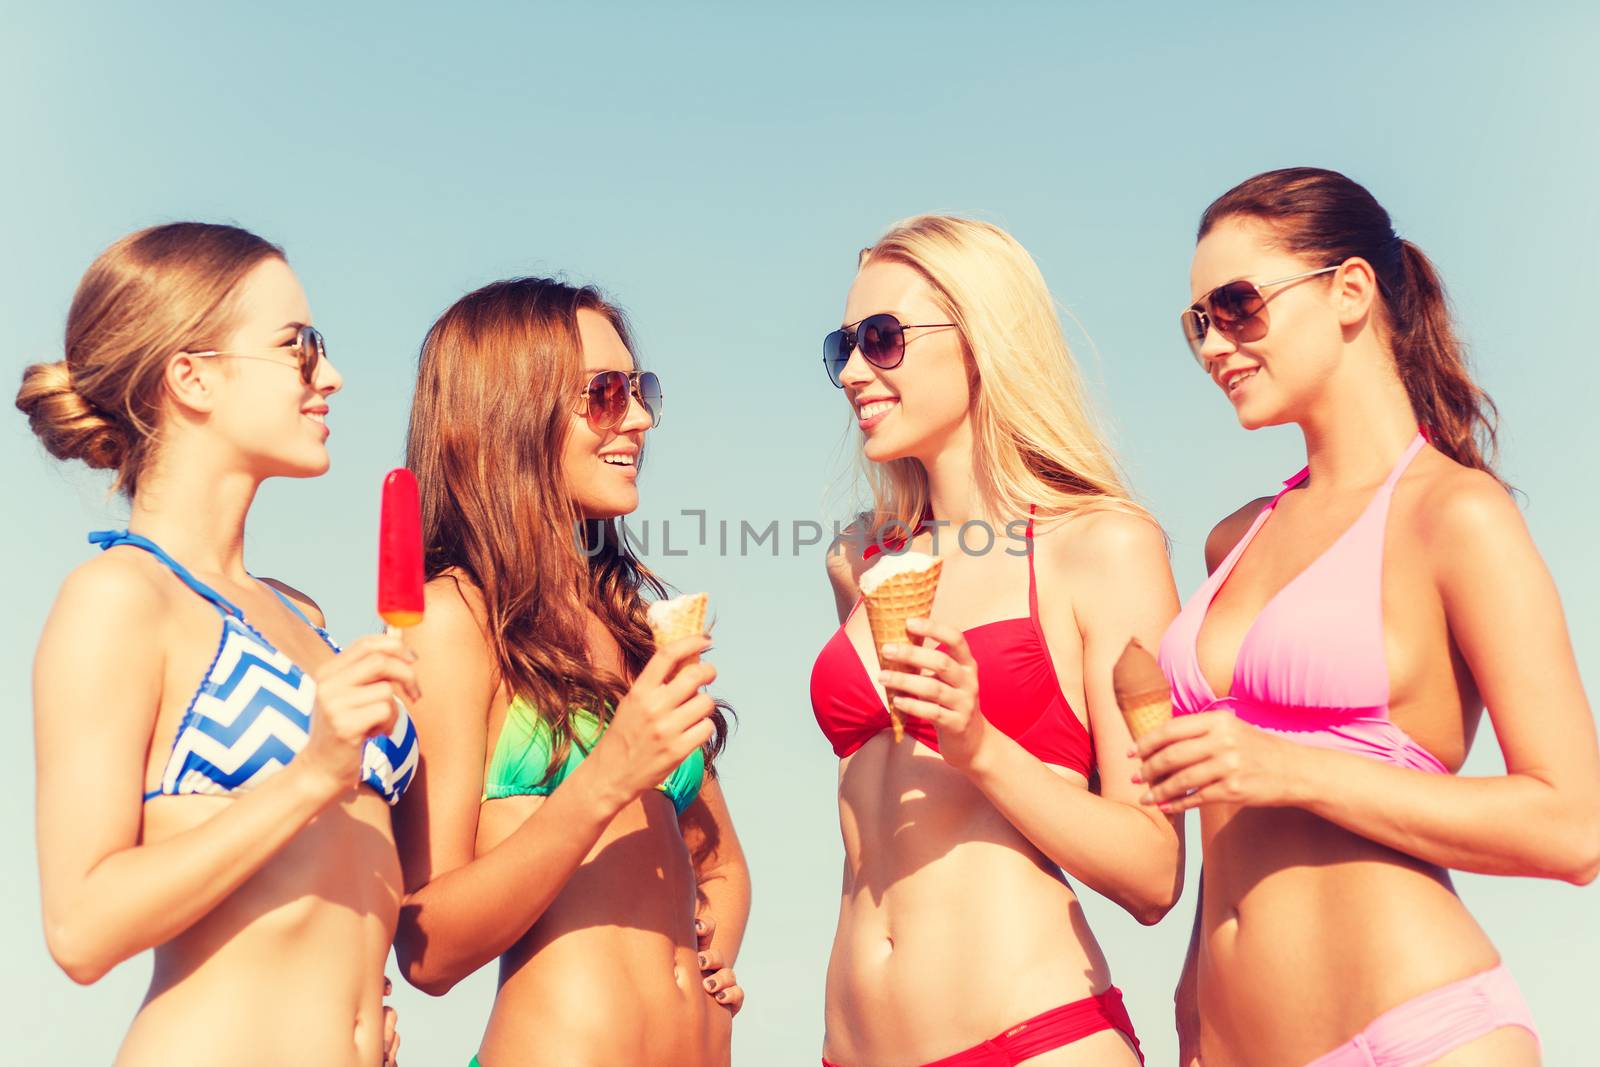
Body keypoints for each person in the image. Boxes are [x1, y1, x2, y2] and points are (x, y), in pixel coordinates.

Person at [1141, 166, 1600, 1066]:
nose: (1213, 345)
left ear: (1350, 291)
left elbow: (1575, 826)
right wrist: (1196, 988)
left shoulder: (1454, 515)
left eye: (1237, 305)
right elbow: (1229, 810)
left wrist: (1293, 767)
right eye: (1198, 321)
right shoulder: (1234, 538)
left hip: (1415, 1034)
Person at [18, 222, 416, 1066]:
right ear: (191, 377)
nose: (331, 376)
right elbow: (80, 927)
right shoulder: (119, 599)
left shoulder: (301, 613)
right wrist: (312, 773)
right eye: (299, 347)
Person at [810, 215, 1182, 1067]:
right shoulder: (859, 560)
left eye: (883, 339)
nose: (855, 371)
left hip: (1032, 1041)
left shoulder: (1104, 546)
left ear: (982, 342)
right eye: (844, 347)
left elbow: (1155, 870)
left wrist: (980, 745)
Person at [390, 277, 750, 1067]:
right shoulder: (452, 620)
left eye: (640, 389)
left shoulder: (629, 625)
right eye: (607, 394)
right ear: (509, 411)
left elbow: (719, 859)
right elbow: (426, 944)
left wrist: (711, 943)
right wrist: (607, 775)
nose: (642, 419)